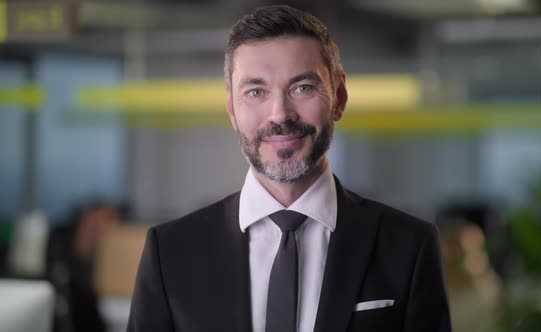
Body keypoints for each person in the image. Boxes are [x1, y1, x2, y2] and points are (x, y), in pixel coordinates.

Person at [127, 5, 451, 332]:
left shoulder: (410, 246)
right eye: (255, 92)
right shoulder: (170, 252)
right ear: (231, 110)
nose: (280, 114)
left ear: (338, 96)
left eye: (302, 88)